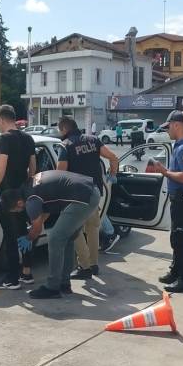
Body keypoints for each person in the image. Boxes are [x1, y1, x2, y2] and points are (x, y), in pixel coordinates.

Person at [0, 170, 100, 299]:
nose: (19, 212)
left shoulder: (31, 201)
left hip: (82, 198)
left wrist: (28, 238)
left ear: (19, 203)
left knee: (55, 238)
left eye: (16, 210)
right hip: (89, 192)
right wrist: (34, 227)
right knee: (68, 237)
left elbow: (37, 228)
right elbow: (45, 212)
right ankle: (64, 283)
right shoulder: (29, 187)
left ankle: (52, 287)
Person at [56, 117, 119, 280]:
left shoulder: (65, 145)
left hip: (76, 194)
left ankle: (84, 267)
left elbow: (60, 174)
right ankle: (94, 264)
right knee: (92, 228)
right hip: (94, 192)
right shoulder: (94, 140)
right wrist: (112, 175)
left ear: (64, 129)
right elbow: (113, 158)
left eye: (59, 130)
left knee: (74, 230)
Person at [150, 110, 183, 293]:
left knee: (182, 240)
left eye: (168, 127)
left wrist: (164, 171)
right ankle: (176, 272)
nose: (167, 131)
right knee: (177, 238)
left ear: (176, 125)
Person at [0, 105, 37, 290]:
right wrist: (28, 187)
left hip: (7, 194)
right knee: (23, 232)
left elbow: (1, 167)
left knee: (9, 235)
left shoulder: (5, 138)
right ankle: (27, 272)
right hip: (23, 192)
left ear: (1, 119)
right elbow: (33, 166)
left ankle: (12, 278)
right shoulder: (28, 138)